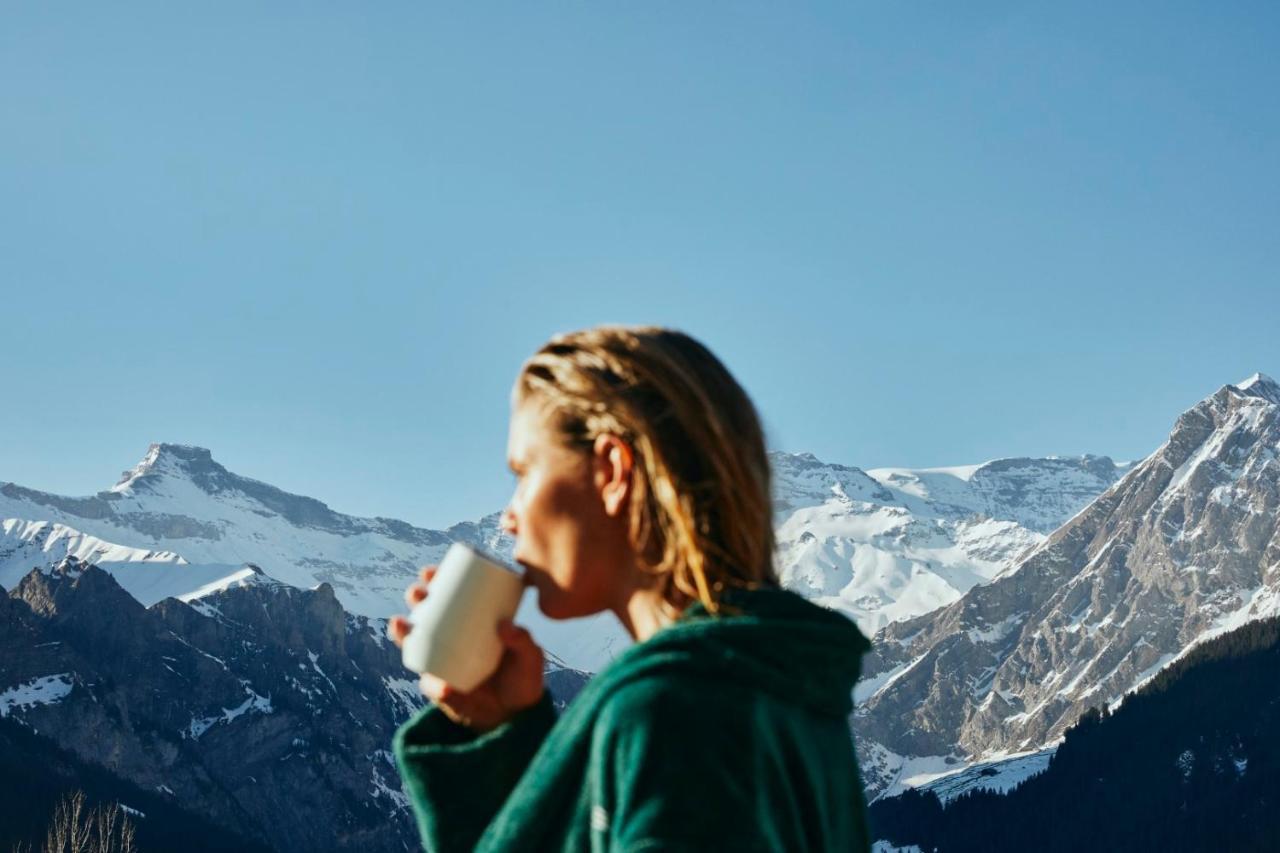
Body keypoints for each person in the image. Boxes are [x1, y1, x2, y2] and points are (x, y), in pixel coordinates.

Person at [389, 326, 871, 852]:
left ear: (613, 471)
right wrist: (501, 739)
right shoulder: (790, 698)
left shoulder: (672, 709)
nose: (509, 517)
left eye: (525, 473)